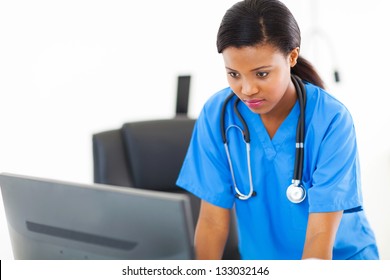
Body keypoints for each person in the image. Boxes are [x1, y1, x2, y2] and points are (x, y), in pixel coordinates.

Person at [176, 0, 379, 260]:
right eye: (234, 74)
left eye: (261, 74)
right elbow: (213, 222)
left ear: (292, 57)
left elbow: (320, 236)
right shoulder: (217, 115)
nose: (247, 89)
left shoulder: (330, 120)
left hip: (338, 263)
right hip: (263, 264)